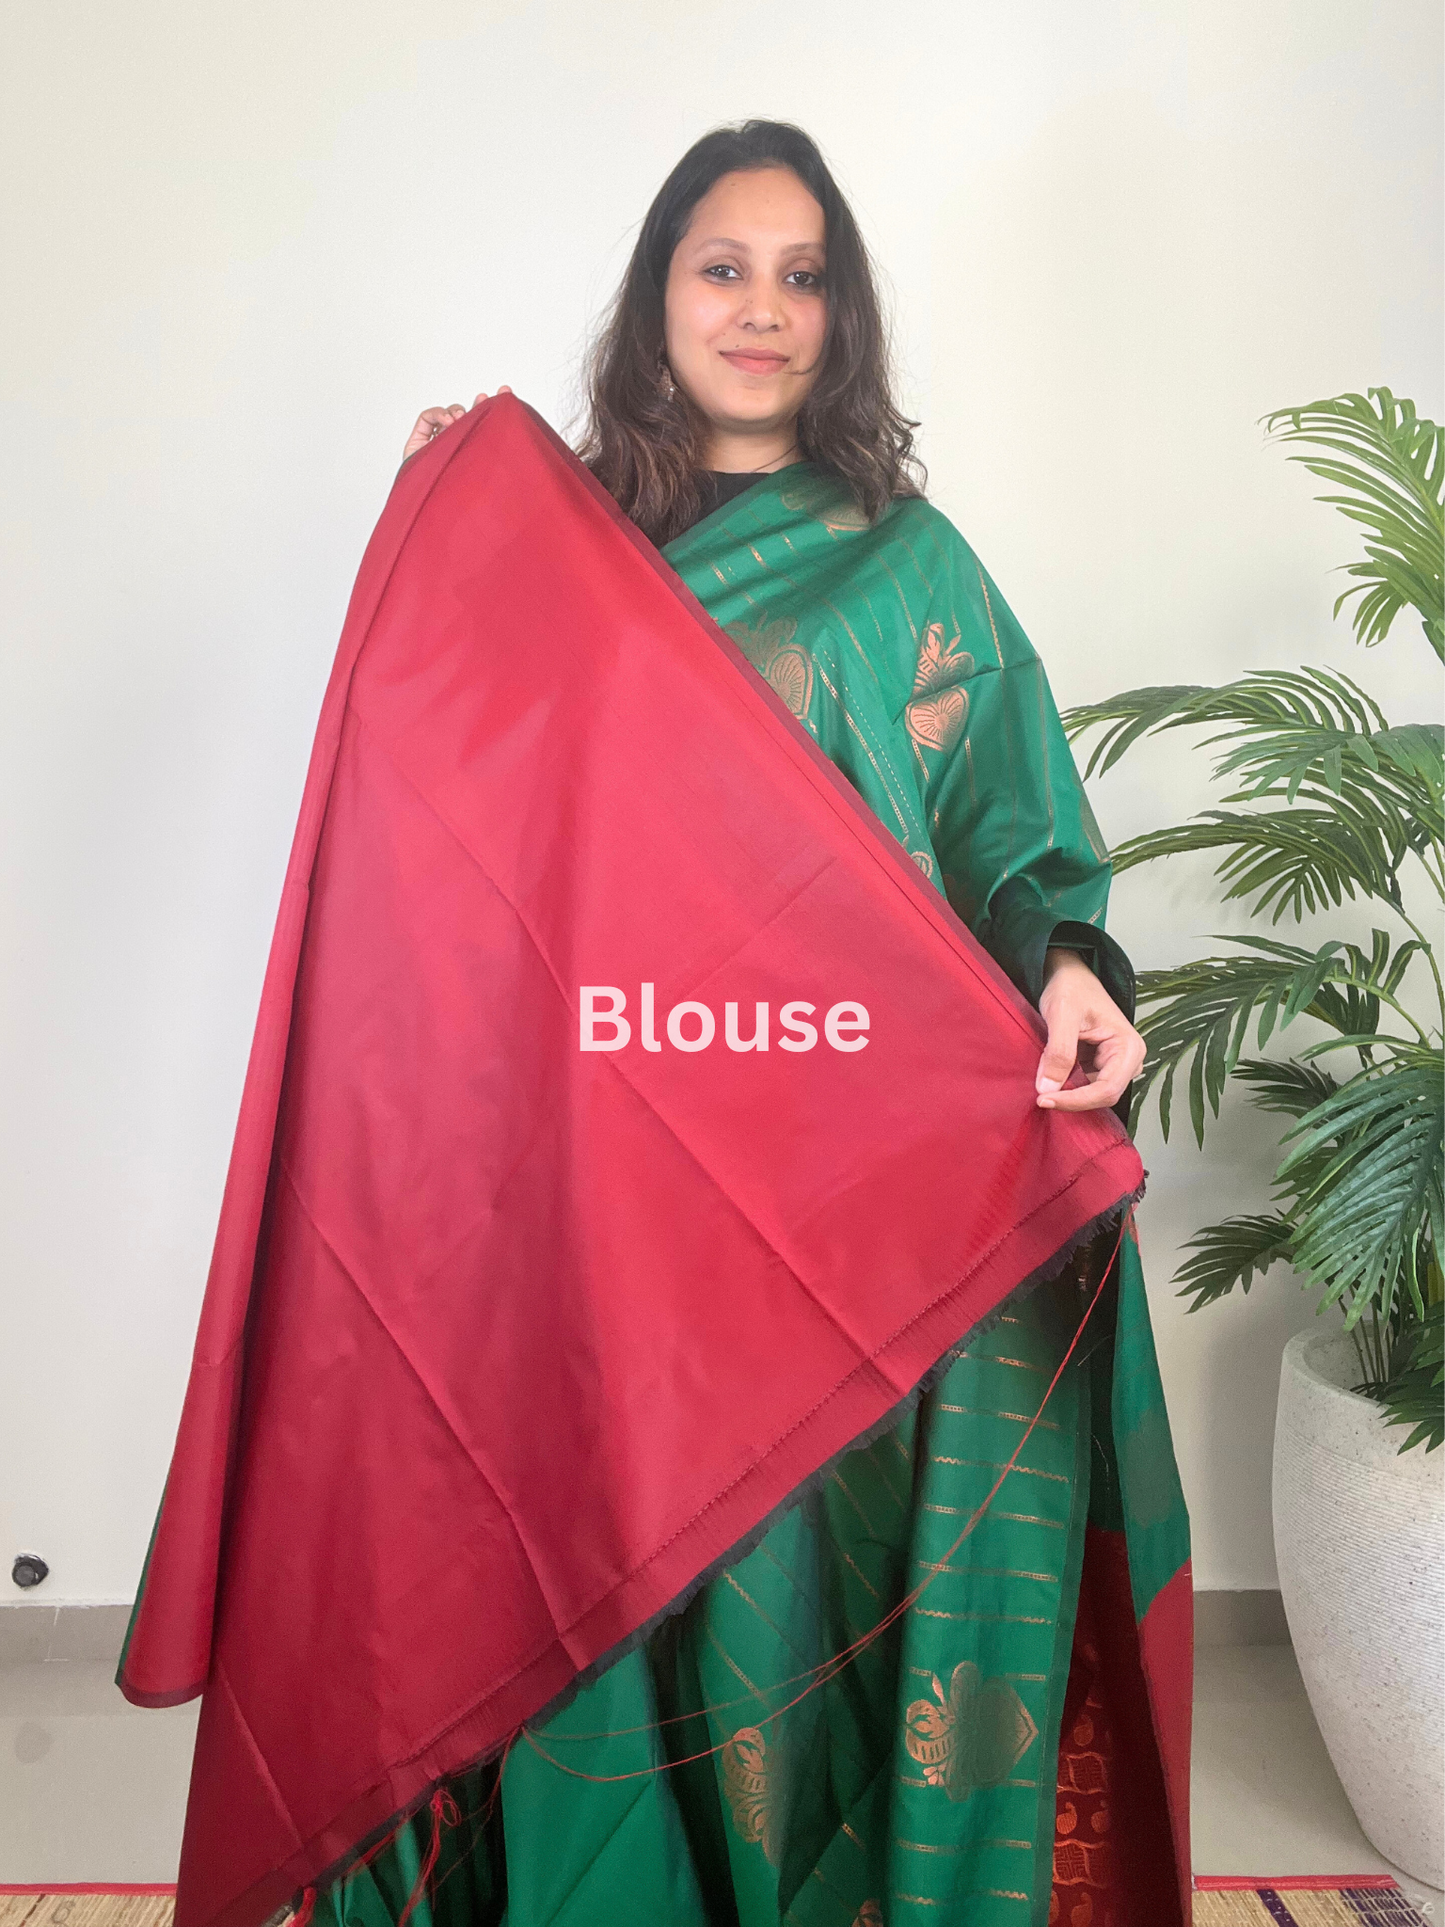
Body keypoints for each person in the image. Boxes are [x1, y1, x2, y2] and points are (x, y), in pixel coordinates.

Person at [302, 122, 1192, 1926]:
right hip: (598, 1166)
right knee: (587, 1572)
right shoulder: (554, 549)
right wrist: (444, 534)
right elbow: (448, 810)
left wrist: (1076, 964)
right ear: (655, 299)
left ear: (843, 316)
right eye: (723, 266)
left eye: (804, 275)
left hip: (834, 1183)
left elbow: (1011, 828)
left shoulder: (907, 562)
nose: (763, 309)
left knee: (795, 1595)